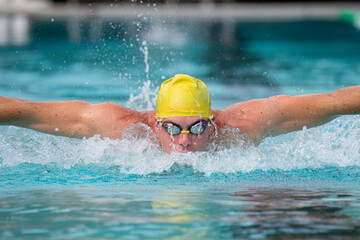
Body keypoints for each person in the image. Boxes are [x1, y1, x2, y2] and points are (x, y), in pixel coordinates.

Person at [0, 74, 359, 153]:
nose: (184, 141)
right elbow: (27, 112)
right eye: (171, 128)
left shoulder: (245, 123)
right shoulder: (121, 129)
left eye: (197, 127)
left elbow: (335, 100)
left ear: (212, 121)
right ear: (155, 122)